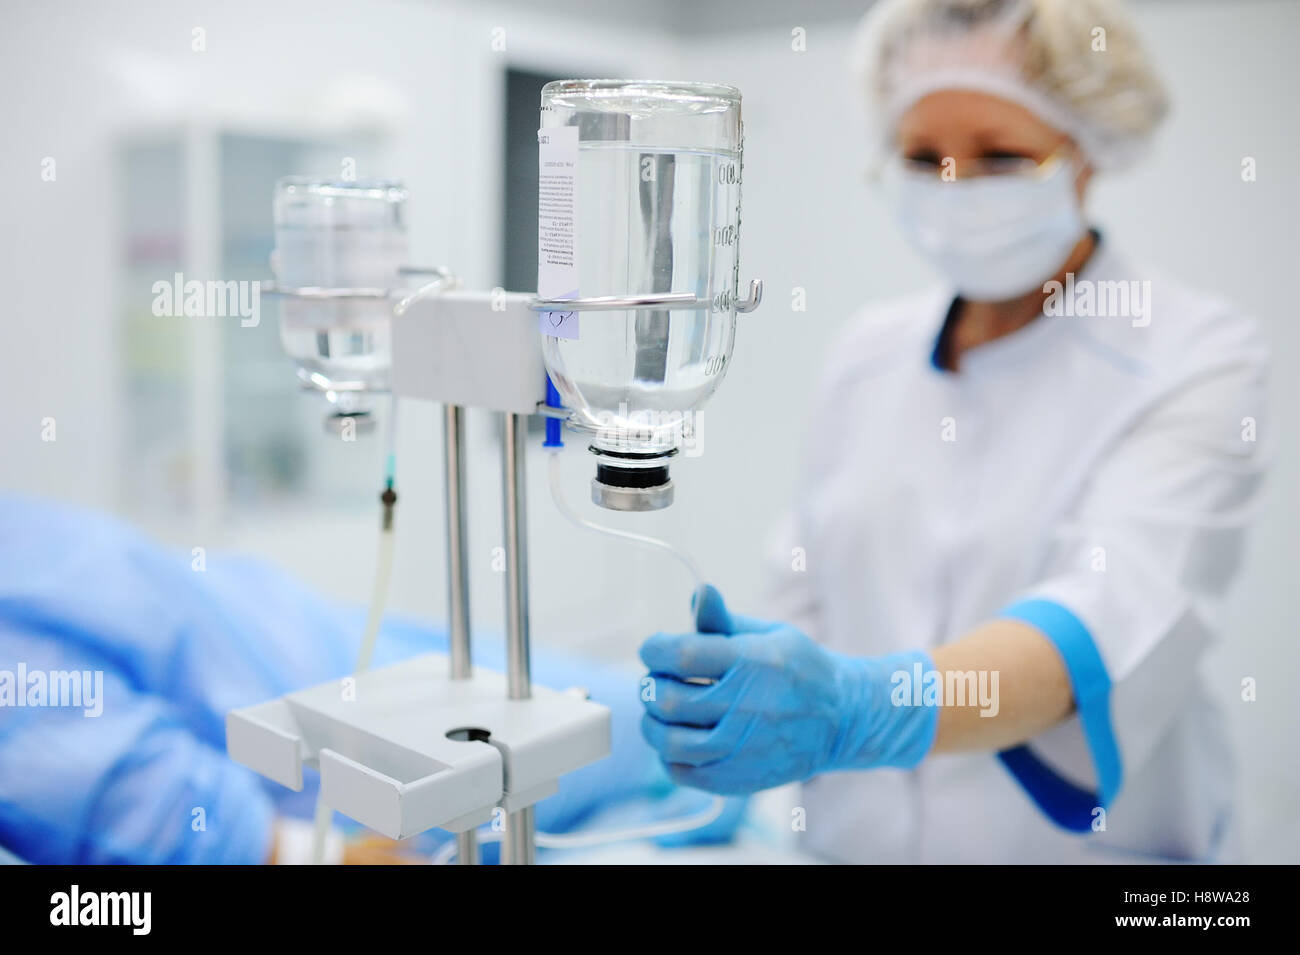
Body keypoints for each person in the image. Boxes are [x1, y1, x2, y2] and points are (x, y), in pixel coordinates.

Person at [638, 0, 1269, 863]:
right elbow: (808, 590)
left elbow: (1105, 616)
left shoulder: (1195, 353)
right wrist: (735, 699)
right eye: (921, 156)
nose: (952, 191)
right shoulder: (868, 351)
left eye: (1000, 157)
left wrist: (859, 708)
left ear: (1088, 150)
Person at [0, 494, 740, 864]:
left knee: (650, 721)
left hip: (327, 644)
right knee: (659, 738)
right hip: (348, 734)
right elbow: (213, 830)